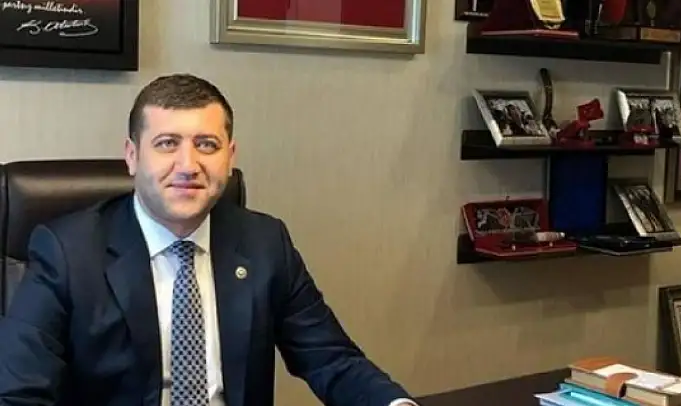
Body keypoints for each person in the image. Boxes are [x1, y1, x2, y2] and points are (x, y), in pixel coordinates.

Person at [0, 74, 418, 406]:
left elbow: (332, 359)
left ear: (230, 157)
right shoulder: (67, 252)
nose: (188, 165)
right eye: (167, 144)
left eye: (207, 145)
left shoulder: (265, 242)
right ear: (132, 156)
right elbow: (18, 393)